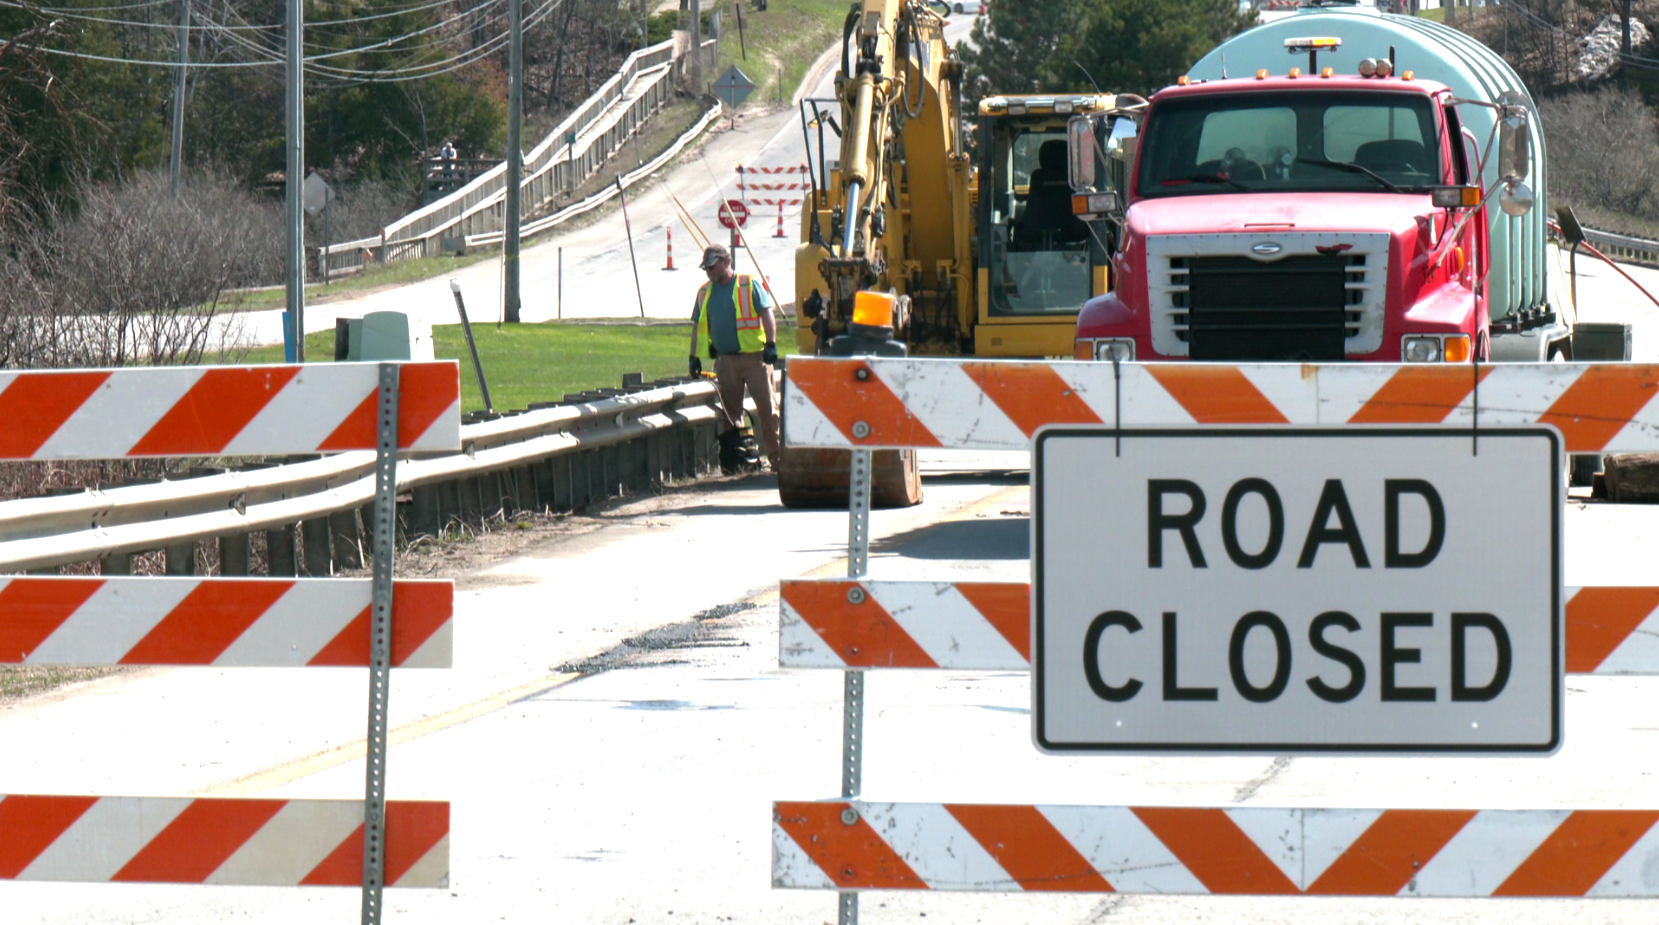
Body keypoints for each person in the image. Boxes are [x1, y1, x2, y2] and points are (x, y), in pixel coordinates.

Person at [688, 242, 782, 472]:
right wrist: (694, 357)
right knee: (730, 414)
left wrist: (771, 344)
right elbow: (696, 327)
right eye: (706, 269)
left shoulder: (748, 284)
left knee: (768, 410)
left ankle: (778, 460)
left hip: (755, 359)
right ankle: (736, 460)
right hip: (725, 361)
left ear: (726, 262)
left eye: (712, 267)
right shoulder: (704, 292)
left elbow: (767, 315)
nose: (709, 272)